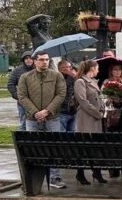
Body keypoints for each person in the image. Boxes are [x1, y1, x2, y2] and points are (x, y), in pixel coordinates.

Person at [17, 51, 67, 189]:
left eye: (46, 59)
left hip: (52, 118)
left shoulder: (56, 75)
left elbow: (61, 94)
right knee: (33, 149)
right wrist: (35, 112)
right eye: (41, 59)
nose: (44, 62)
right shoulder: (25, 77)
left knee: (54, 147)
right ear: (35, 61)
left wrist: (47, 111)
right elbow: (22, 96)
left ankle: (55, 177)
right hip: (32, 119)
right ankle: (32, 179)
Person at [73, 60, 107, 185]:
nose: (98, 70)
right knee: (84, 147)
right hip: (86, 118)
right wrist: (97, 113)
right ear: (92, 68)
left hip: (96, 119)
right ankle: (80, 173)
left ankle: (96, 172)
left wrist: (103, 108)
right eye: (97, 68)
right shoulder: (80, 82)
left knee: (95, 147)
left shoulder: (93, 82)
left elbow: (99, 99)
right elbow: (83, 101)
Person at [6, 51, 34, 130]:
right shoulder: (17, 71)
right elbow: (10, 85)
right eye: (26, 58)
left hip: (36, 101)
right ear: (23, 60)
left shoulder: (37, 69)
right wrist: (18, 96)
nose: (28, 60)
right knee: (24, 124)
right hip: (23, 102)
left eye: (30, 58)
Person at [57, 59, 78, 133]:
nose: (70, 69)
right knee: (62, 136)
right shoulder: (57, 79)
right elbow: (64, 91)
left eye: (70, 67)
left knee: (73, 135)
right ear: (61, 69)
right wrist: (71, 77)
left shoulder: (73, 77)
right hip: (62, 113)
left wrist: (75, 77)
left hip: (74, 112)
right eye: (68, 67)